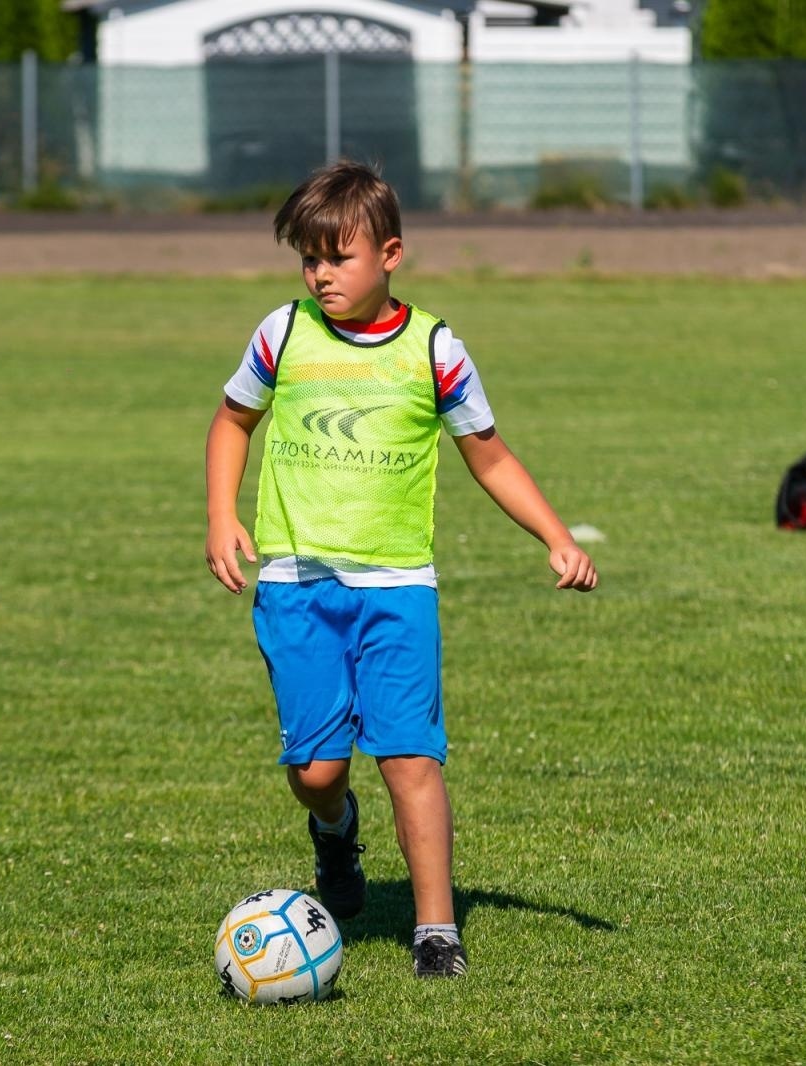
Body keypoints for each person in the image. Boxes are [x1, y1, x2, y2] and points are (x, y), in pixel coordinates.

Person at [204, 161, 598, 979]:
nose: (320, 275)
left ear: (390, 255)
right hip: (297, 587)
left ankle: (435, 931)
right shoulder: (283, 333)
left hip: (397, 591)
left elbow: (489, 455)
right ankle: (333, 829)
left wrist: (555, 536)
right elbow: (232, 421)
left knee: (411, 759)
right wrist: (221, 515)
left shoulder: (434, 348)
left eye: (337, 258)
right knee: (316, 772)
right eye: (308, 259)